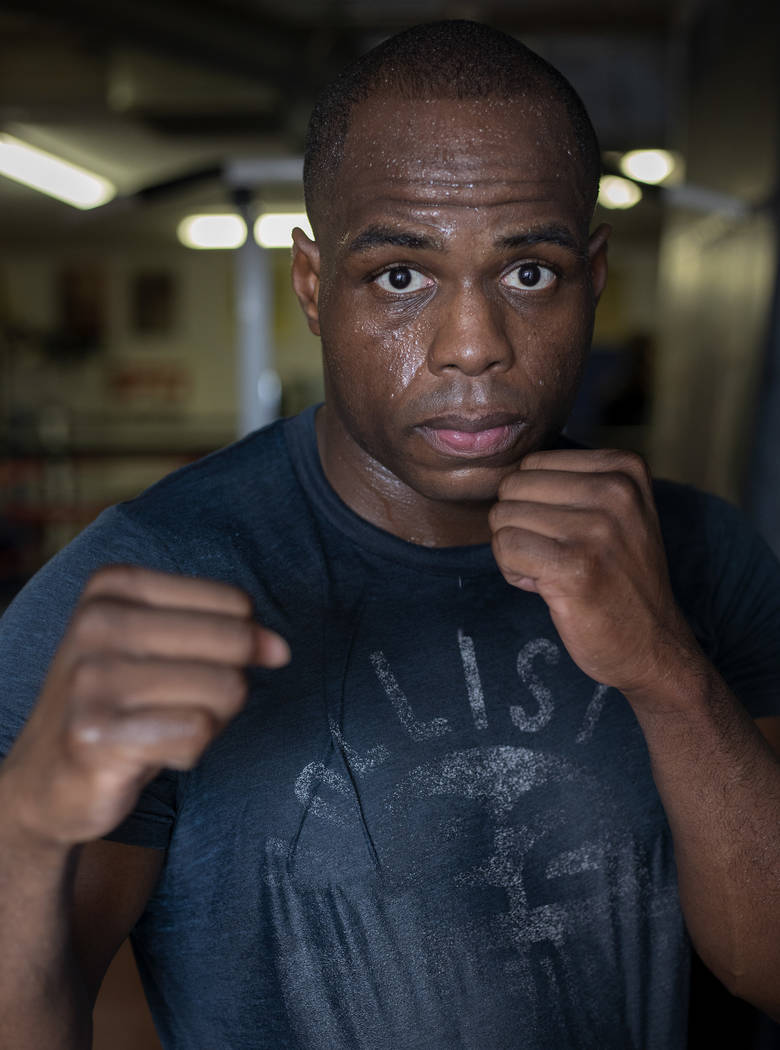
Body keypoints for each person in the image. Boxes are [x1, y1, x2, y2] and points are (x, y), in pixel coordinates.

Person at [0, 20, 779, 1050]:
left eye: (529, 273)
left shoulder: (696, 553)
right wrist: (25, 823)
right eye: (402, 276)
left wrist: (669, 675)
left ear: (593, 276)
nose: (472, 347)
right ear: (316, 286)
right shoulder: (142, 582)